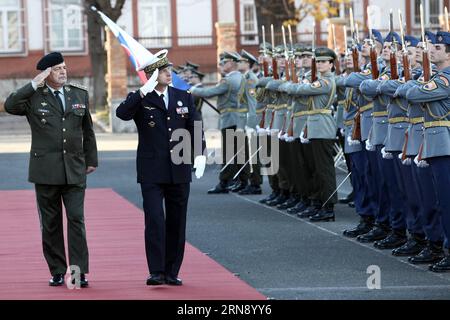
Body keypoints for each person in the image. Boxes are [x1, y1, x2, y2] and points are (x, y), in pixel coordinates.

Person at [4, 52, 98, 287]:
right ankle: (57, 270)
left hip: (74, 168)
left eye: (64, 67)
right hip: (46, 170)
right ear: (46, 74)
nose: (63, 71)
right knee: (51, 223)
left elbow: (88, 131)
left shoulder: (79, 94)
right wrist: (34, 83)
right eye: (57, 69)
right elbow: (10, 105)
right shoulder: (34, 97)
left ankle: (78, 273)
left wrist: (91, 159)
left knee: (76, 219)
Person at [116, 52, 206, 285]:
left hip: (179, 167)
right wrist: (142, 91)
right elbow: (122, 114)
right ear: (151, 75)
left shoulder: (182, 96)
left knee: (177, 221)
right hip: (152, 169)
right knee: (155, 219)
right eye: (164, 71)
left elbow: (194, 125)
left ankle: (171, 271)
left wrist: (199, 154)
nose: (169, 74)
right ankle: (156, 271)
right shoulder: (141, 98)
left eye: (169, 70)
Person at [190, 52, 243, 194]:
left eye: (222, 63)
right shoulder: (240, 77)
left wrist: (193, 89)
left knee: (228, 152)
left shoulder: (229, 80)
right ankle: (236, 179)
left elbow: (209, 92)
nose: (220, 66)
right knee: (235, 152)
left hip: (229, 118)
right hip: (237, 117)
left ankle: (224, 182)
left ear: (231, 64)